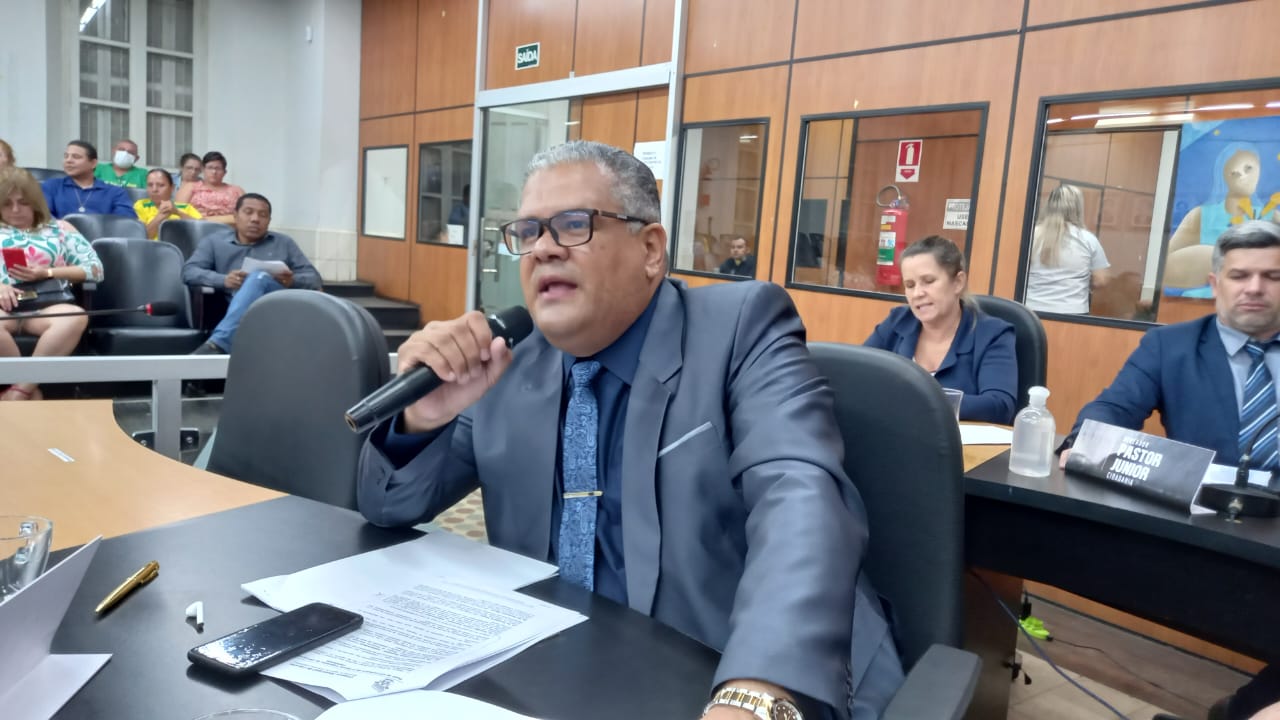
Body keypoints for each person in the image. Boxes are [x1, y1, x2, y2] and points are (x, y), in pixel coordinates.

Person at [356, 141, 903, 720]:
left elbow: (802, 500)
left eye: (573, 224)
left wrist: (754, 692)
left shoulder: (741, 328)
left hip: (728, 669)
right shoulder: (508, 364)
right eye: (529, 231)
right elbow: (388, 507)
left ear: (650, 249)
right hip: (559, 681)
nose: (543, 248)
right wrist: (422, 417)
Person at [1064, 221, 1280, 720]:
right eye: (1240, 275)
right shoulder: (1171, 347)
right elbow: (1113, 408)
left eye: (1271, 276)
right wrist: (1082, 441)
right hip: (1205, 532)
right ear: (1215, 283)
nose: (1254, 287)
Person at [864, 235, 1018, 424]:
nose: (917, 293)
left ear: (958, 282)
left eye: (928, 281)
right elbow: (857, 375)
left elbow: (999, 406)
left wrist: (918, 402)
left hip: (959, 441)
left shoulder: (993, 334)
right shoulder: (897, 321)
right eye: (910, 285)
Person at [0, 167, 104, 400]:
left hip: (45, 305)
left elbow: (95, 269)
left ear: (35, 202)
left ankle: (19, 390)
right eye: (7, 204)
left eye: (23, 203)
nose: (15, 210)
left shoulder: (60, 229)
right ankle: (26, 389)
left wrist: (47, 272)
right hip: (3, 309)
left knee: (75, 317)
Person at [182, 193, 321, 354]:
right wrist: (224, 280)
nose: (255, 219)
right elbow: (189, 271)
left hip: (276, 308)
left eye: (263, 215)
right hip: (231, 305)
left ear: (269, 221)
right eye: (248, 212)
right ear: (235, 216)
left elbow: (314, 278)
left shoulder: (284, 243)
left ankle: (217, 346)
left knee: (259, 278)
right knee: (255, 280)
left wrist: (292, 281)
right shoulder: (214, 242)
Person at [1165, 143, 1280, 295]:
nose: (1243, 176)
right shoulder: (1200, 216)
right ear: (1224, 174)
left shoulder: (1273, 218)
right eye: (1235, 172)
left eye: (1249, 169)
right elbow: (1165, 267)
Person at [1024, 184, 1110, 314]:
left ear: (1049, 205)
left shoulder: (1031, 235)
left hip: (1031, 310)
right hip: (1072, 312)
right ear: (1077, 208)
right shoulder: (1088, 240)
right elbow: (1101, 281)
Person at [40, 141, 133, 219]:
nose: (68, 160)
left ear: (93, 163)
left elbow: (125, 221)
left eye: (76, 157)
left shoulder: (115, 192)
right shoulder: (51, 186)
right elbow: (42, 216)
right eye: (66, 156)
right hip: (61, 234)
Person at [175, 151, 244, 225]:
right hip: (197, 229)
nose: (214, 172)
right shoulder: (189, 188)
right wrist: (228, 218)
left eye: (218, 168)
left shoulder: (237, 191)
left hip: (230, 230)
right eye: (210, 168)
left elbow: (245, 216)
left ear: (225, 172)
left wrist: (205, 220)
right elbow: (178, 213)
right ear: (203, 170)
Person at [134, 168, 202, 239]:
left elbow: (202, 230)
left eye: (161, 185)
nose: (154, 189)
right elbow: (141, 237)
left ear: (172, 188)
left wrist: (177, 212)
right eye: (150, 185)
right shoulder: (141, 205)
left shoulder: (185, 207)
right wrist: (161, 216)